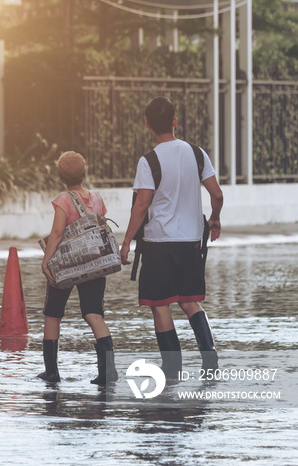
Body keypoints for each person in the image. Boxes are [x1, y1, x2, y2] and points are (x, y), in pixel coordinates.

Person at [120, 97, 224, 378]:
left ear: (147, 125)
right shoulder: (197, 153)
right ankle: (210, 359)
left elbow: (142, 205)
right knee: (190, 301)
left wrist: (127, 241)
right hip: (191, 240)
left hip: (158, 244)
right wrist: (214, 219)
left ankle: (173, 367)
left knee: (160, 304)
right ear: (175, 122)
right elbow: (217, 194)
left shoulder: (149, 161)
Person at [38, 151, 118, 385]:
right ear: (85, 173)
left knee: (53, 314)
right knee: (93, 313)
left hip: (67, 265)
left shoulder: (64, 199)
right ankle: (108, 371)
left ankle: (51, 372)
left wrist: (46, 261)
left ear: (61, 176)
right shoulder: (96, 198)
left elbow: (57, 233)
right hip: (95, 264)